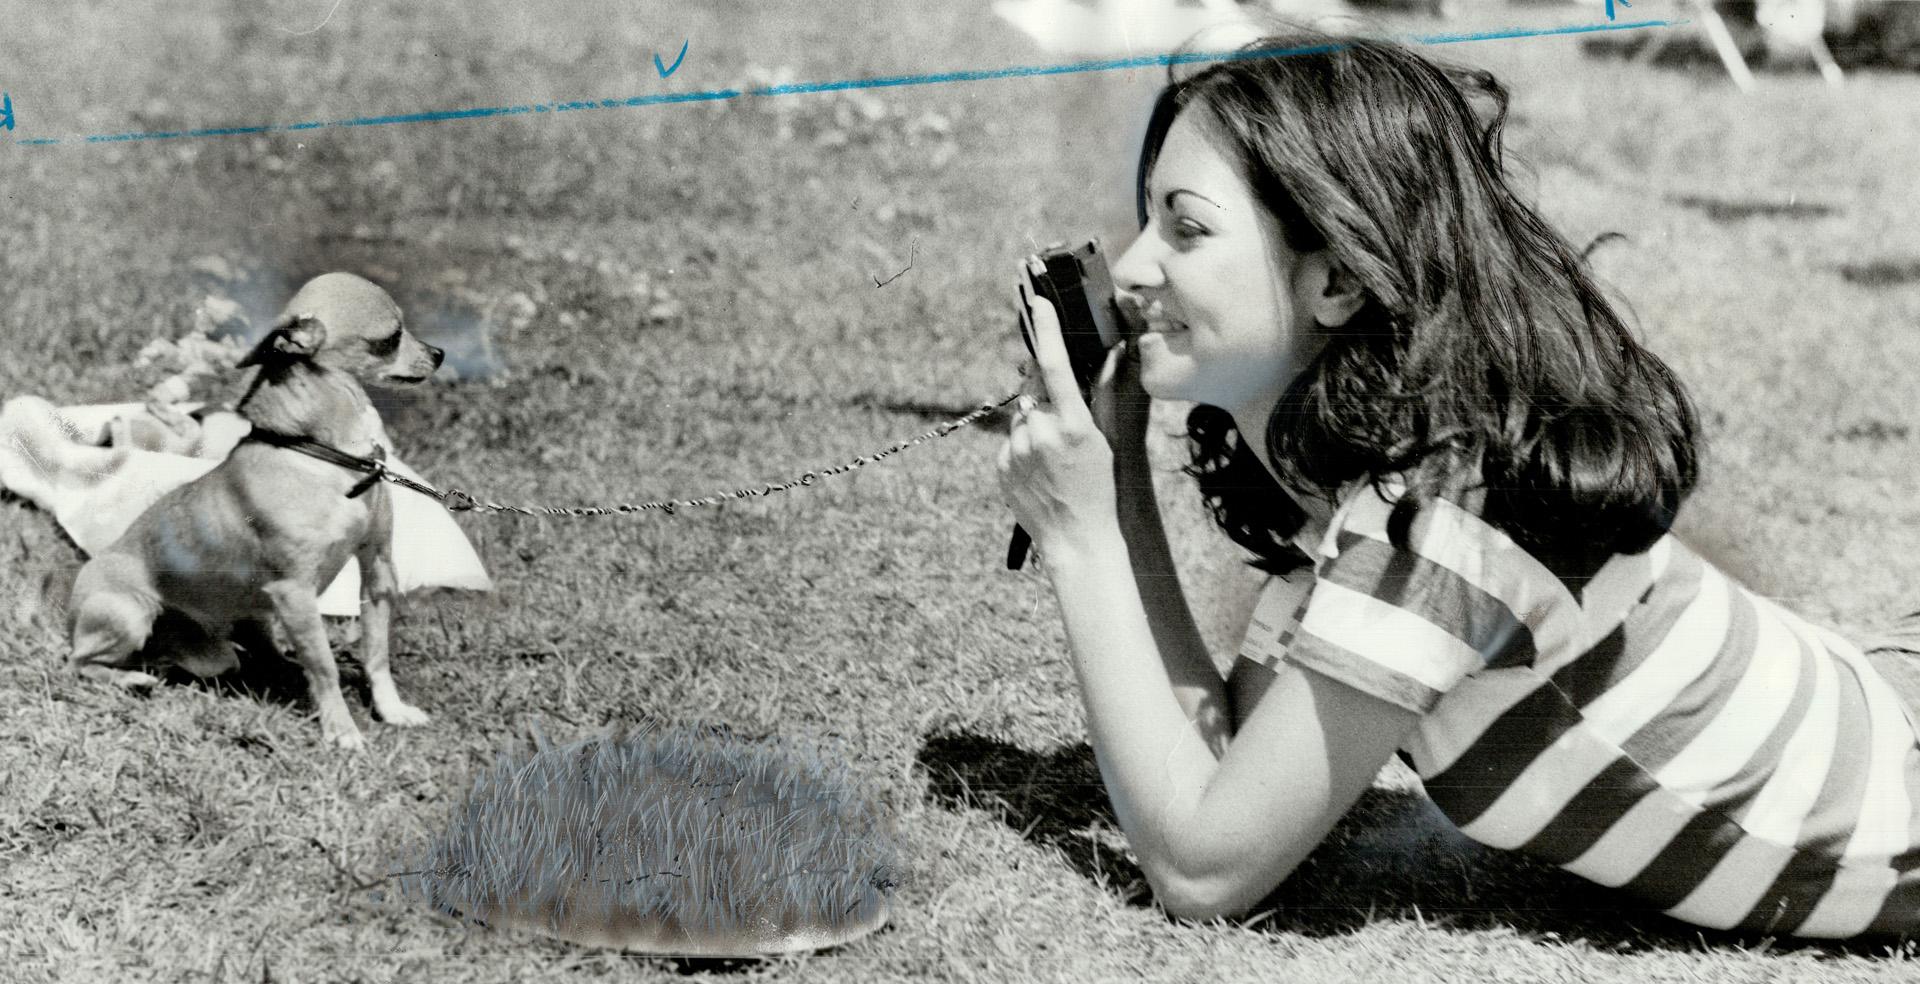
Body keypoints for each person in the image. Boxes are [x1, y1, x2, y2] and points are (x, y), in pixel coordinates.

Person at [996, 31, 1920, 939]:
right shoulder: (1366, 506)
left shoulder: (1433, 525)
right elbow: (1221, 774)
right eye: (1148, 218)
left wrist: (1084, 540)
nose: (1130, 269)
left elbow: (1205, 866)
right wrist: (1117, 483)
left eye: (1186, 228)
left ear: (1338, 281)